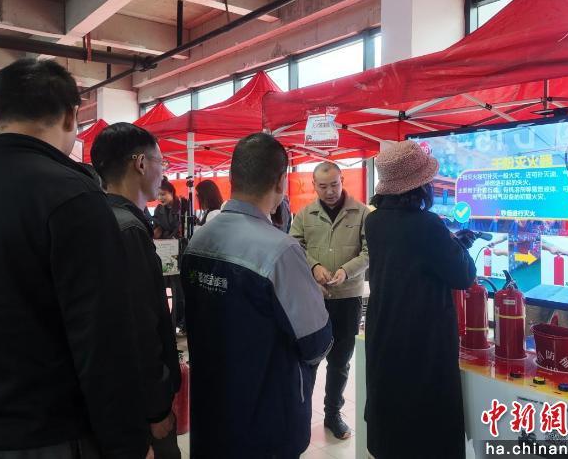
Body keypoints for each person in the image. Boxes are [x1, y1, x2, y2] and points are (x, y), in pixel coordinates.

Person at [0, 59, 150, 458]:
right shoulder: (73, 197)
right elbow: (103, 337)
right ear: (71, 116)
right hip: (45, 433)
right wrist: (128, 443)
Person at [182, 133, 333, 458]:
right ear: (280, 182)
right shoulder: (280, 250)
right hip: (267, 423)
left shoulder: (198, 240)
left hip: (210, 413)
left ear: (232, 177)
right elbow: (316, 342)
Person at [364, 141, 477, 459]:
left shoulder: (374, 222)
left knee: (392, 419)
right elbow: (463, 276)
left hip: (385, 332)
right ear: (420, 186)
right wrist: (457, 246)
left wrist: (449, 242)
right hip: (422, 341)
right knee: (426, 427)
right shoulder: (427, 225)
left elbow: (409, 258)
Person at [91, 123, 181, 459]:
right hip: (137, 405)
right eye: (161, 162)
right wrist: (156, 408)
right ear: (141, 163)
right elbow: (140, 328)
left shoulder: (97, 215)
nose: (163, 171)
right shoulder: (128, 229)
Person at [290, 161, 369, 440]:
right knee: (308, 359)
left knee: (340, 361)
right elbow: (294, 246)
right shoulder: (304, 214)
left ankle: (333, 413)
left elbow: (370, 251)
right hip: (315, 298)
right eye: (323, 186)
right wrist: (313, 267)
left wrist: (346, 270)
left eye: (334, 184)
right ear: (314, 185)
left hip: (348, 298)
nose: (330, 191)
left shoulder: (361, 212)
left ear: (342, 180)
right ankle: (301, 415)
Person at [153, 177, 187, 333]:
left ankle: (181, 321)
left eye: (163, 194)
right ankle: (170, 321)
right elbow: (157, 228)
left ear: (172, 192)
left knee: (178, 288)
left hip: (180, 250)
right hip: (165, 250)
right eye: (158, 194)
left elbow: (182, 230)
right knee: (166, 287)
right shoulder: (158, 209)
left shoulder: (183, 206)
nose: (160, 198)